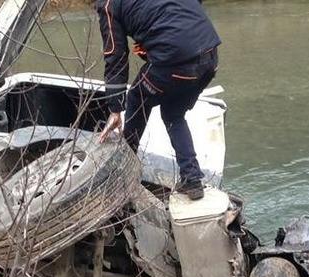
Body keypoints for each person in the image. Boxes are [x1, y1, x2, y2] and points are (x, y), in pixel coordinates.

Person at [95, 0, 221, 201]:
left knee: (137, 97)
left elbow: (115, 55)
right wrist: (154, 38)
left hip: (176, 61)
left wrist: (115, 108)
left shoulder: (108, 4)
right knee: (173, 114)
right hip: (209, 56)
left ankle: (123, 169)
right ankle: (192, 179)